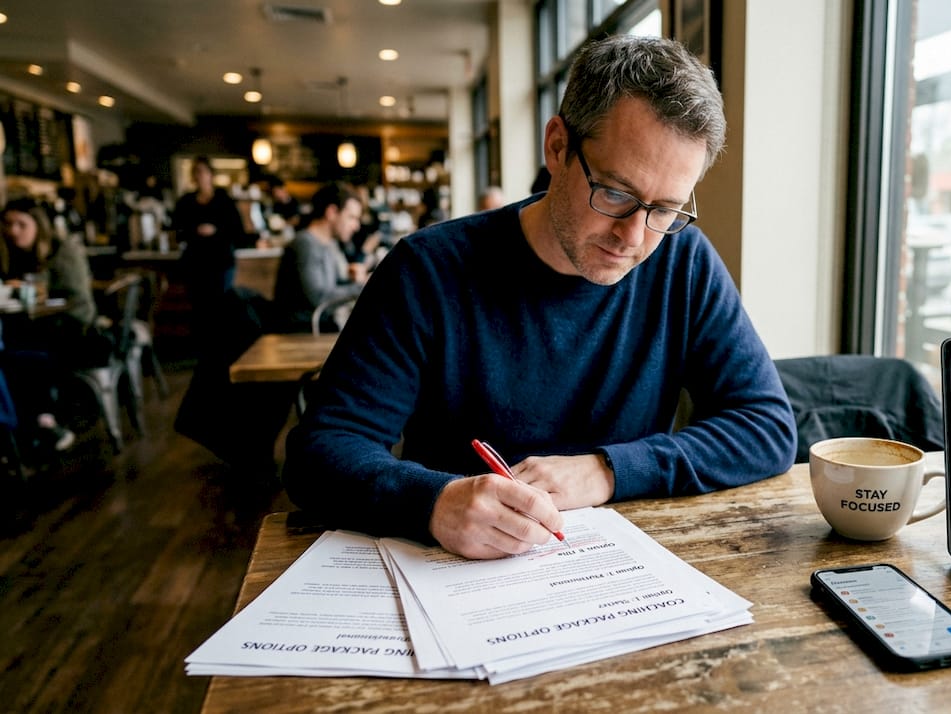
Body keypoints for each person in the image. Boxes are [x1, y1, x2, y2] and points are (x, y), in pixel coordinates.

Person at [283, 35, 797, 560]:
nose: (634, 236)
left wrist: (607, 470)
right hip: (450, 573)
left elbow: (767, 426)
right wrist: (434, 502)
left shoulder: (682, 261)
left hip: (616, 573)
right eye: (615, 193)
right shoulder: (427, 270)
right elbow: (320, 451)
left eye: (665, 209)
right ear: (557, 147)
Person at [0, 198, 98, 452]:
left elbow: (78, 301)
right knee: (12, 350)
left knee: (24, 355)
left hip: (75, 328)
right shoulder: (12, 254)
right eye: (8, 224)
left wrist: (37, 298)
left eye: (21, 224)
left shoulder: (62, 250)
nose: (13, 231)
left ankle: (42, 422)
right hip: (33, 326)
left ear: (39, 225)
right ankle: (32, 425)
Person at [172, 156, 251, 344]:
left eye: (203, 172)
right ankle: (202, 347)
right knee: (199, 308)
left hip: (220, 261)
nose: (200, 176)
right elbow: (176, 231)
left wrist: (216, 231)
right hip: (195, 262)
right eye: (196, 172)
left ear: (211, 174)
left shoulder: (224, 201)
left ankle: (222, 345)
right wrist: (194, 231)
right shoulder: (186, 202)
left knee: (221, 304)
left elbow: (238, 232)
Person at [272, 183, 367, 332]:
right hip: (302, 334)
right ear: (331, 212)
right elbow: (318, 298)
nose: (356, 226)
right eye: (351, 217)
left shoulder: (329, 243)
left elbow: (330, 286)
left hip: (319, 328)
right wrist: (363, 287)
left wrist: (351, 279)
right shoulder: (305, 243)